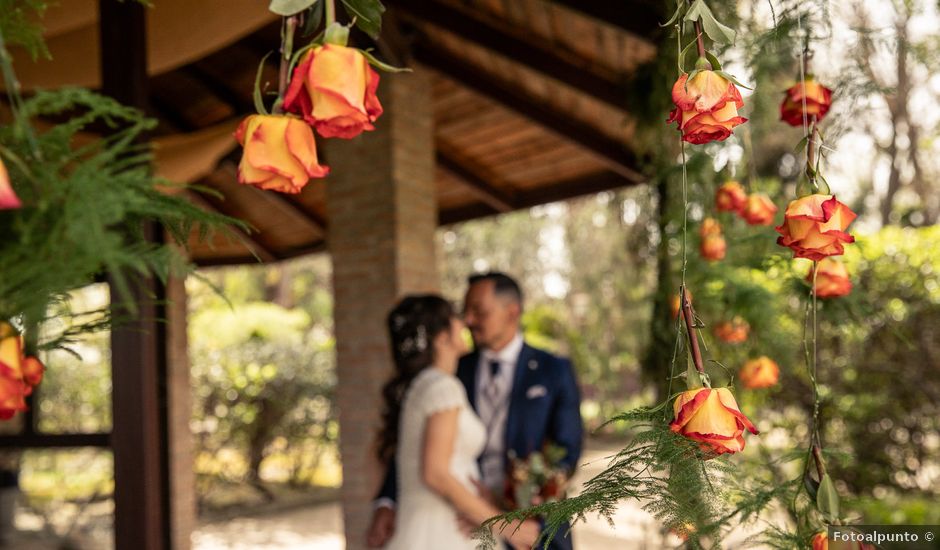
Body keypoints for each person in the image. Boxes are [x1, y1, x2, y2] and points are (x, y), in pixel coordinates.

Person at [369, 274, 584, 550]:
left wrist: (518, 504)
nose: (469, 320)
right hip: (460, 520)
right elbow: (418, 445)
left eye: (479, 311)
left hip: (530, 522)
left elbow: (566, 449)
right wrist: (387, 501)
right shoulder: (452, 370)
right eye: (465, 312)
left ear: (512, 312)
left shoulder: (553, 369)